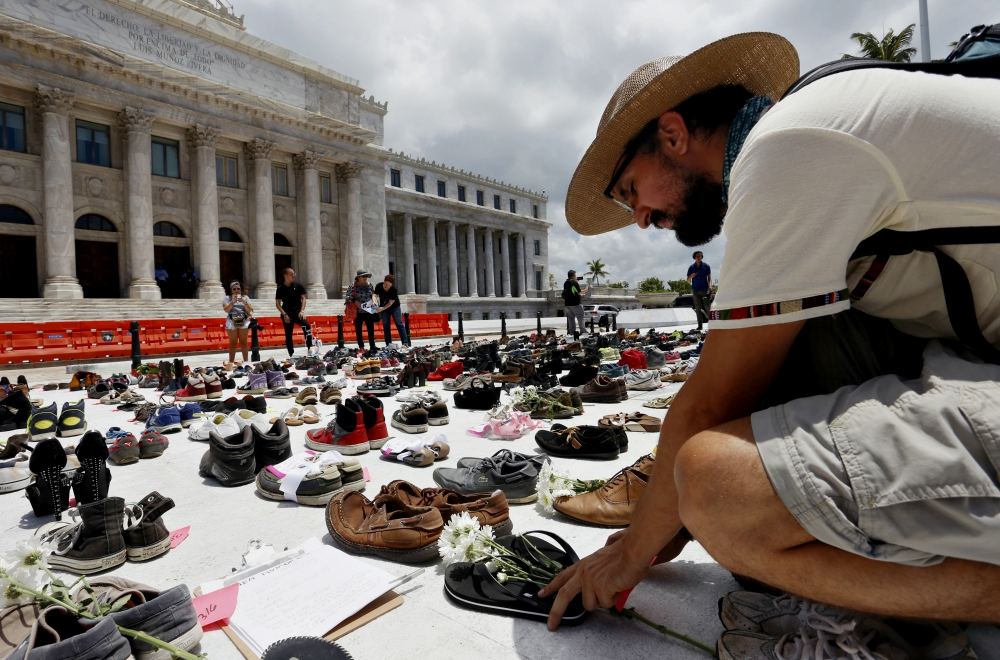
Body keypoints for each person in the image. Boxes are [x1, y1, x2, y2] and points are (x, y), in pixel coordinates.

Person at [544, 31, 1000, 652]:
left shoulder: (787, 147)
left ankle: (958, 601)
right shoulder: (812, 120)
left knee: (714, 486)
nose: (642, 219)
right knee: (786, 350)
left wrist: (634, 554)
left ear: (673, 135)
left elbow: (709, 402)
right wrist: (658, 522)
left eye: (632, 192)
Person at [274, 267, 313, 357]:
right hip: (287, 314)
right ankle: (291, 353)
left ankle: (309, 347)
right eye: (291, 274)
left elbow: (303, 298)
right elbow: (278, 304)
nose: (293, 276)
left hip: (298, 312)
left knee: (306, 326)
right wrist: (284, 314)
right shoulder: (280, 288)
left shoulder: (298, 286)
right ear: (285, 276)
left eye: (294, 274)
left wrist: (302, 311)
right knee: (288, 334)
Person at [345, 269, 378, 351]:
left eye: (366, 276)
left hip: (369, 310)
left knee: (371, 328)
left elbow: (373, 294)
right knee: (358, 329)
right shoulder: (353, 286)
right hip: (358, 311)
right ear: (358, 277)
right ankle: (361, 346)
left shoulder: (370, 285)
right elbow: (348, 297)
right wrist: (355, 301)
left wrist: (374, 302)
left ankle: (372, 346)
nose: (365, 278)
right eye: (363, 276)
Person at [222, 281, 252, 366]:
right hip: (232, 321)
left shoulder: (245, 297)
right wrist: (232, 302)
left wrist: (244, 302)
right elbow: (226, 310)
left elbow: (249, 310)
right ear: (231, 290)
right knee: (233, 342)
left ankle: (246, 362)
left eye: (238, 289)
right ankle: (231, 362)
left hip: (243, 320)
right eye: (234, 289)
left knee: (244, 342)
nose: (236, 290)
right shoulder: (227, 298)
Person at [375, 274, 408, 346]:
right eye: (385, 284)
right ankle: (388, 344)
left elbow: (390, 302)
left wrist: (382, 309)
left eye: (389, 285)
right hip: (384, 308)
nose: (386, 286)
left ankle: (405, 343)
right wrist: (374, 301)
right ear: (384, 282)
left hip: (394, 307)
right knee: (386, 325)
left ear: (391, 284)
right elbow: (375, 295)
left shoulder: (393, 289)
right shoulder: (379, 286)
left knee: (399, 323)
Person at [686, 250, 711, 330]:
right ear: (694, 258)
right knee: (698, 308)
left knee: (707, 307)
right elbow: (687, 281)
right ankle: (700, 326)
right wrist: (691, 277)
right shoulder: (691, 267)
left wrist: (710, 286)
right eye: (697, 256)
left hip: (704, 290)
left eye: (700, 256)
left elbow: (709, 278)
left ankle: (712, 324)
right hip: (695, 290)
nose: (699, 257)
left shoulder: (706, 266)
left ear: (702, 257)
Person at [561, 270, 588, 340]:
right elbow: (579, 292)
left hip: (567, 304)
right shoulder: (574, 282)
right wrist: (585, 290)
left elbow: (571, 290)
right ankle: (583, 331)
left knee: (571, 318)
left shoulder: (566, 283)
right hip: (575, 303)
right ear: (573, 276)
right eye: (575, 275)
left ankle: (572, 332)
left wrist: (575, 282)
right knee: (581, 316)